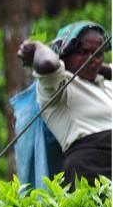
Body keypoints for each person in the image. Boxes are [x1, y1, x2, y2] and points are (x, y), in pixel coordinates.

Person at [17, 21, 111, 190]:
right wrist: (38, 46)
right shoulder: (58, 87)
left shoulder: (104, 84)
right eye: (83, 52)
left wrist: (96, 66)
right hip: (91, 167)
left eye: (98, 53)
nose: (92, 59)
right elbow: (47, 64)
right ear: (64, 55)